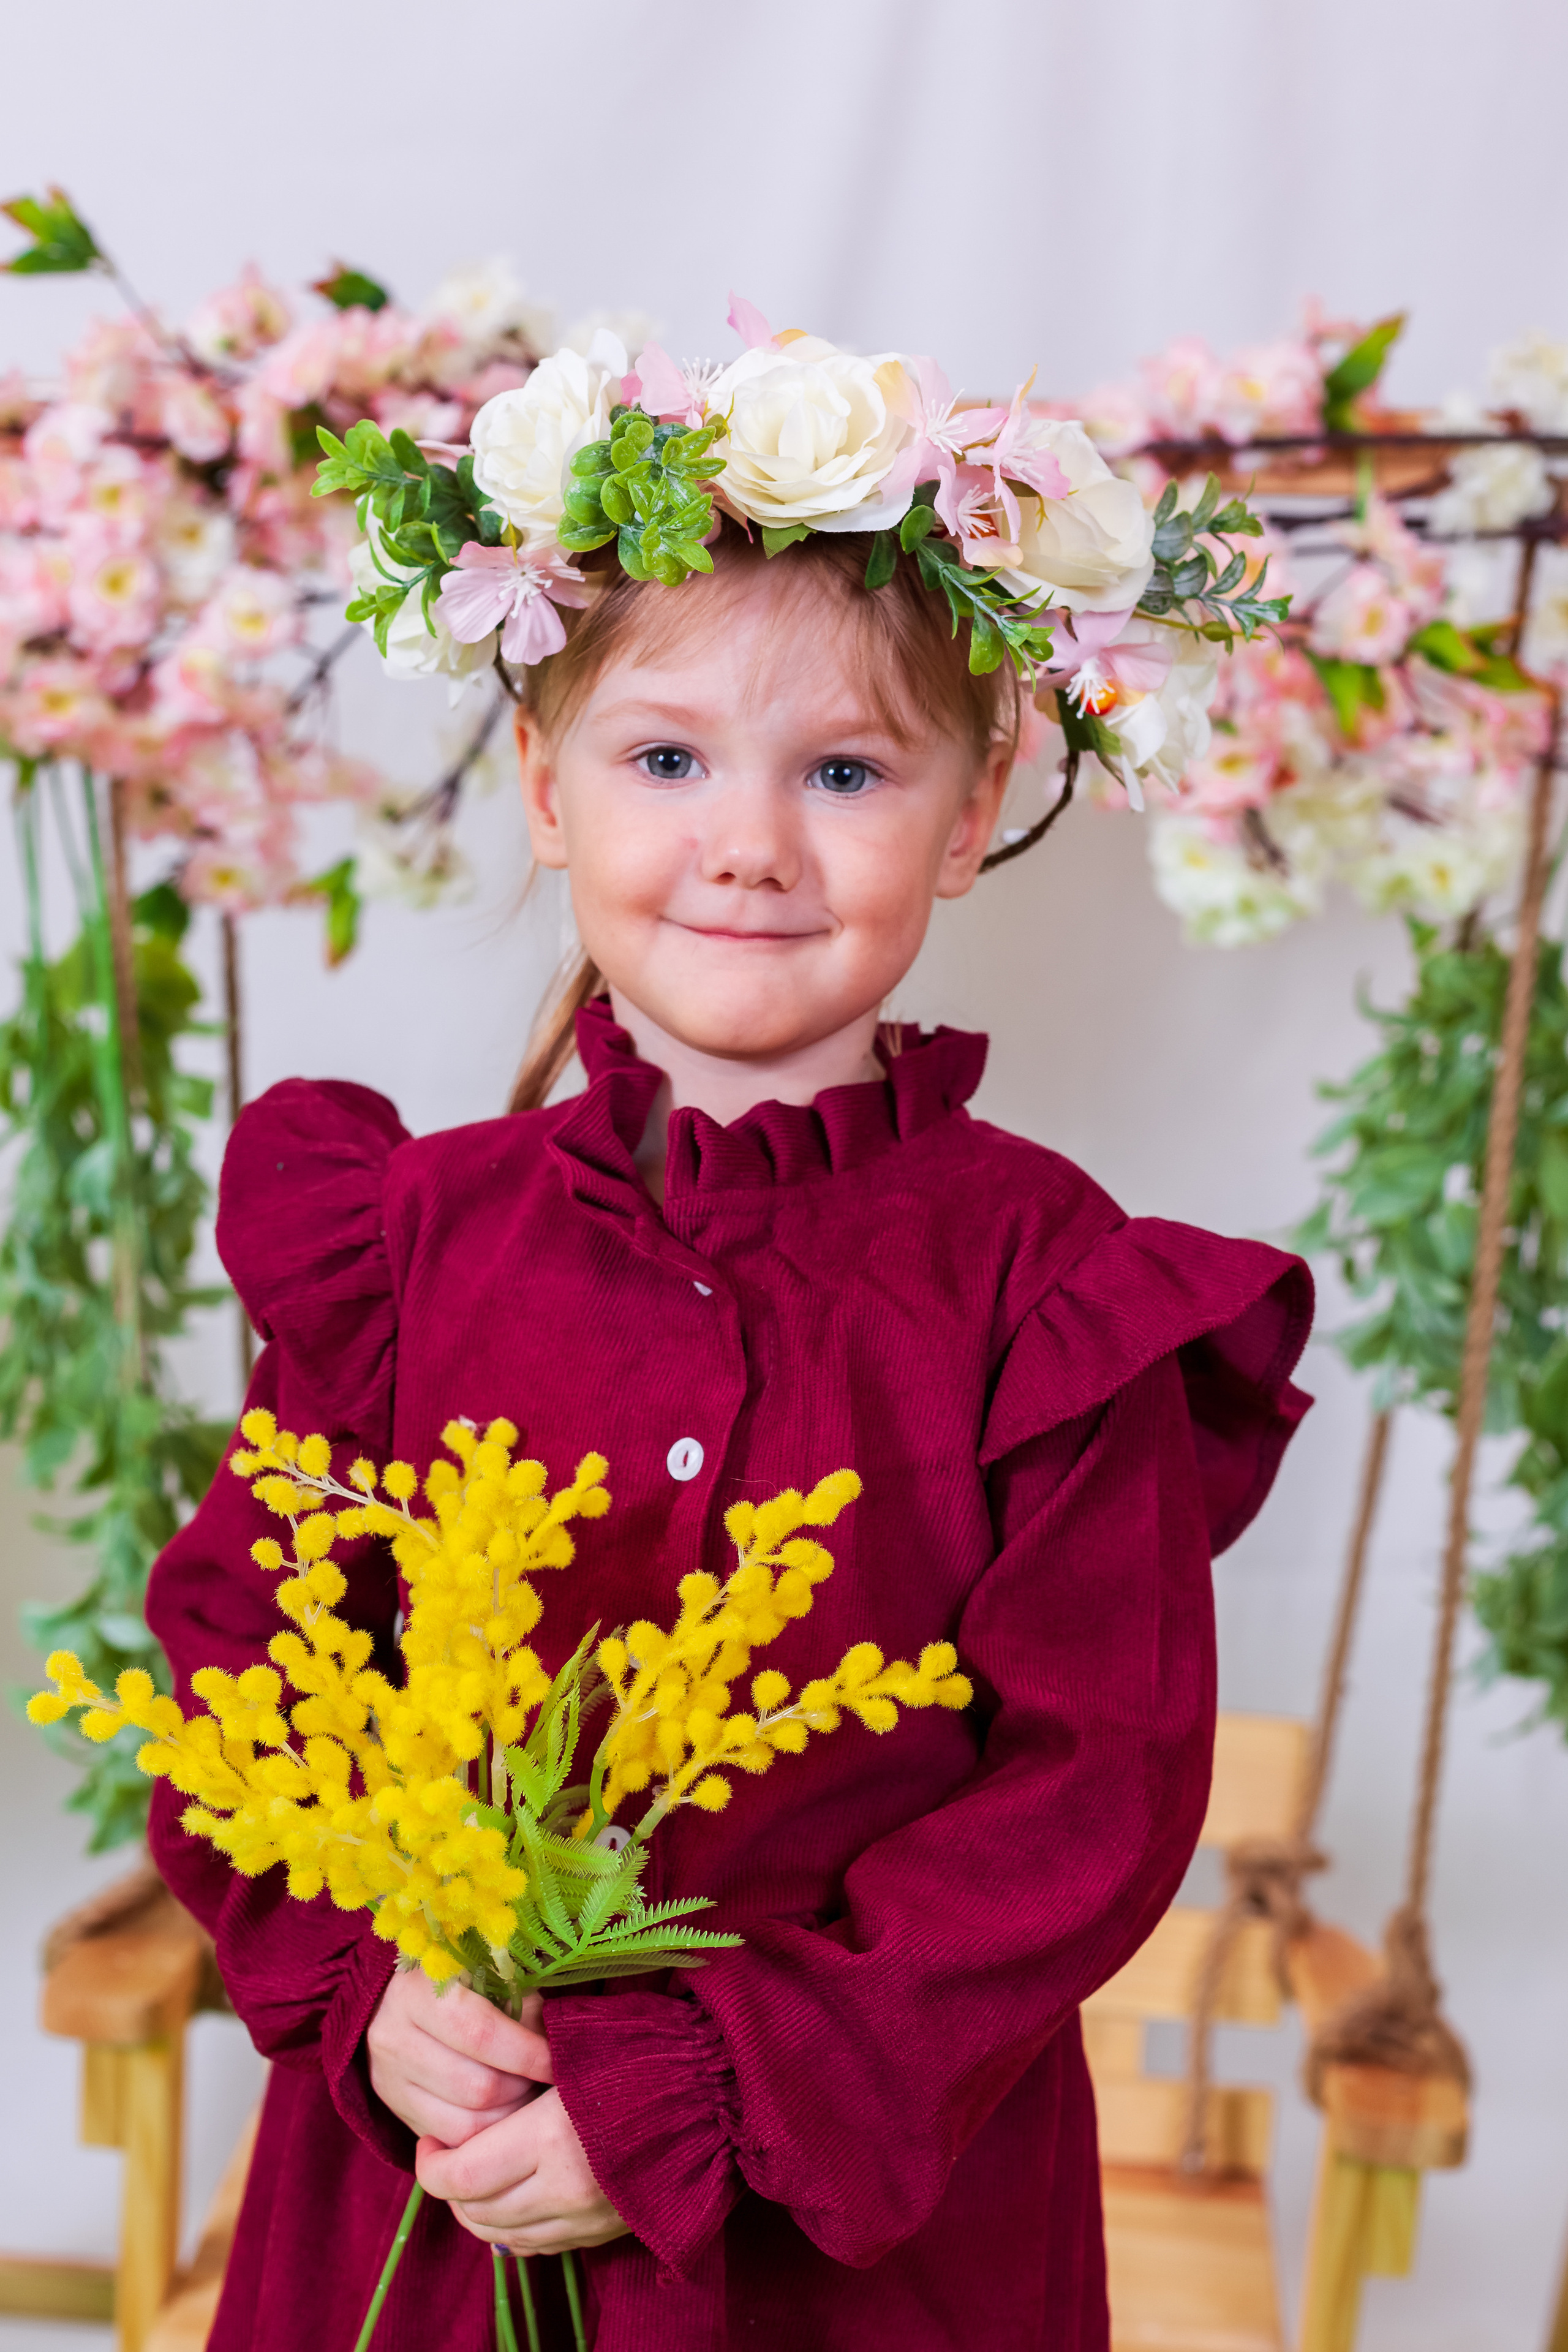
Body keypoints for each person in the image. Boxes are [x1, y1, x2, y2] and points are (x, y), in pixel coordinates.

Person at [146, 312, 1311, 2352]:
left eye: (845, 771)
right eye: (667, 757)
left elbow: (1090, 1801)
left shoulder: (1051, 1298)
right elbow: (248, 1665)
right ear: (543, 786)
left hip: (854, 2254)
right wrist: (363, 1988)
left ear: (970, 813)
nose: (753, 839)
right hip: (431, 2180)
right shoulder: (408, 1249)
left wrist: (705, 2085)